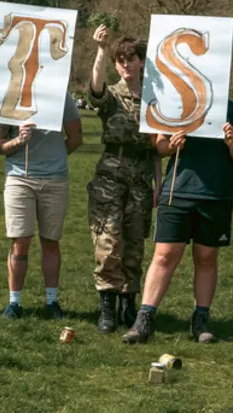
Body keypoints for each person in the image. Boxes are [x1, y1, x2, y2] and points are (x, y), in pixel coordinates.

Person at [122, 102, 233, 344]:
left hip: (216, 195)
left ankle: (200, 320)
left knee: (206, 257)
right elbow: (159, 145)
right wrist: (172, 146)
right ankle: (144, 319)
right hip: (177, 192)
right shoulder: (176, 103)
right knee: (164, 255)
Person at [86, 26, 160, 333]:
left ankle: (129, 305)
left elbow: (157, 147)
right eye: (120, 60)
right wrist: (102, 51)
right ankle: (107, 306)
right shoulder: (112, 96)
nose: (126, 65)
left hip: (141, 177)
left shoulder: (155, 100)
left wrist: (158, 183)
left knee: (134, 244)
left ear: (141, 62)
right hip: (111, 177)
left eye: (131, 59)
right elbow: (95, 89)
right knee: (108, 242)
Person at [0, 93, 83, 320]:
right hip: (19, 178)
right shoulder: (9, 94)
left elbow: (76, 137)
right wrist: (19, 140)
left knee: (51, 242)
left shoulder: (62, 96)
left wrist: (56, 158)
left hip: (55, 179)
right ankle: (14, 303)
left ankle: (52, 302)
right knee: (20, 242)